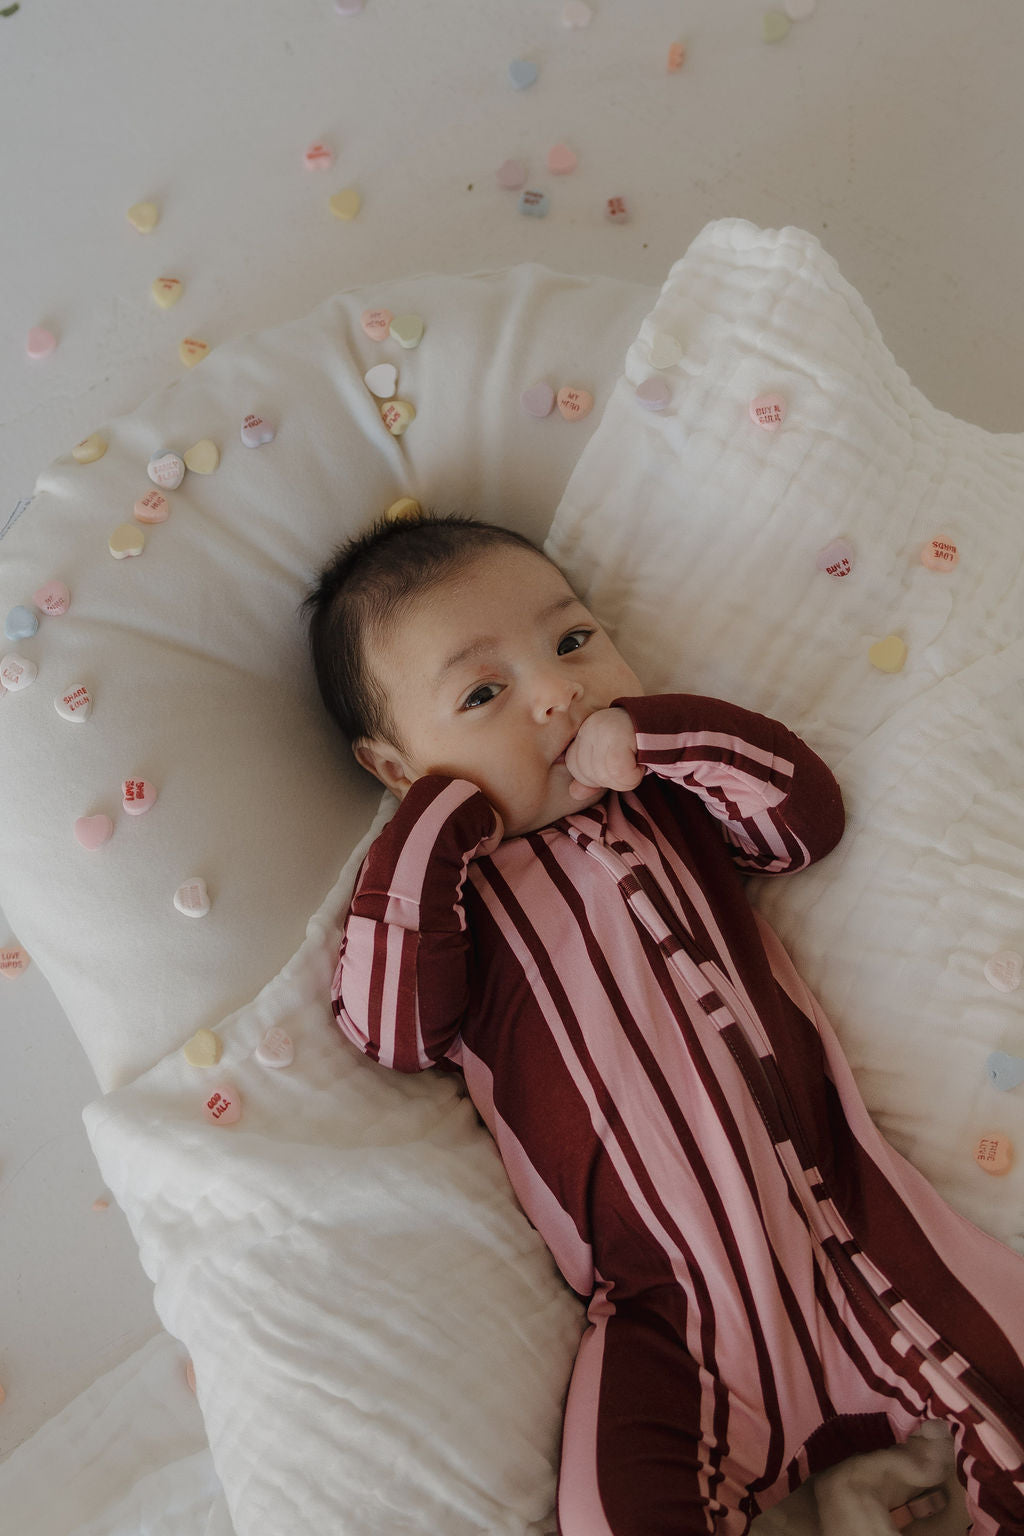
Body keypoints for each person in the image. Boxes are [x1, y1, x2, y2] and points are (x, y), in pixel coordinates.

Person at [301, 511, 1024, 1535]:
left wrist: (655, 734)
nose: (558, 694)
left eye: (572, 641)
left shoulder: (670, 803)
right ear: (393, 766)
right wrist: (440, 817)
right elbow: (386, 1031)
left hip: (863, 1227)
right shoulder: (459, 908)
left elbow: (802, 819)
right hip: (673, 1305)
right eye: (482, 693)